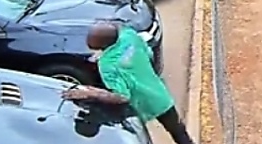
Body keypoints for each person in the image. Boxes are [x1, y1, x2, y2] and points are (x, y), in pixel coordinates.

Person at [62, 23, 196, 144]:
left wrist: (93, 93)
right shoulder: (129, 36)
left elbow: (122, 96)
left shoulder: (107, 65)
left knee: (137, 137)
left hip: (139, 106)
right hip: (159, 96)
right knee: (178, 132)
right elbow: (147, 52)